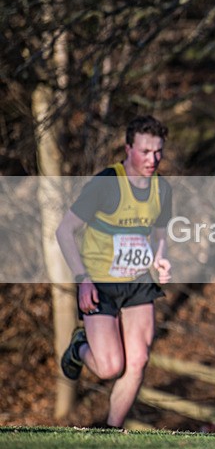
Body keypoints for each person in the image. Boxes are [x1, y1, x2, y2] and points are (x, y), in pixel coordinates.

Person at [56, 115, 172, 429]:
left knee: (139, 360)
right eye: (145, 152)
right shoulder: (107, 184)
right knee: (110, 367)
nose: (153, 159)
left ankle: (111, 430)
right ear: (128, 148)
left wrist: (160, 258)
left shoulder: (162, 188)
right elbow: (65, 231)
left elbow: (159, 233)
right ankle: (79, 347)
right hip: (100, 282)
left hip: (137, 282)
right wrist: (83, 279)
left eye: (158, 152)